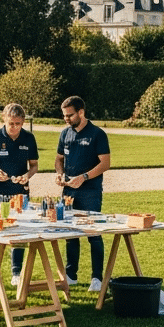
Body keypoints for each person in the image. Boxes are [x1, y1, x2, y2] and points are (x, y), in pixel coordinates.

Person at [0, 104, 39, 285]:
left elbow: (34, 165)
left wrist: (27, 176)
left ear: (23, 122)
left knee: (19, 232)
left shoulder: (29, 138)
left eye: (18, 124)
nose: (14, 127)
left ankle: (16, 272)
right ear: (3, 119)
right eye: (11, 123)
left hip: (19, 191)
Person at [55, 96, 110, 291]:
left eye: (70, 115)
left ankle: (97, 278)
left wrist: (84, 177)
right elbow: (59, 159)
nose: (67, 119)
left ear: (81, 112)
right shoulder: (65, 134)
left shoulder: (97, 134)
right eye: (64, 116)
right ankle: (71, 275)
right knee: (70, 232)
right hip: (68, 190)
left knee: (93, 233)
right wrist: (60, 174)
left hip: (90, 192)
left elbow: (105, 163)